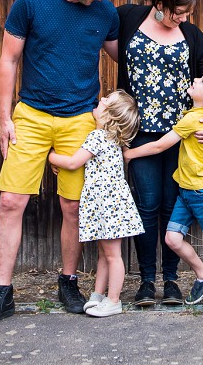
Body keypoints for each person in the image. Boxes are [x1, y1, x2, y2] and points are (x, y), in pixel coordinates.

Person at [0, 0, 123, 328]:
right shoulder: (32, 1)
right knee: (10, 202)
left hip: (80, 121)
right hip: (32, 116)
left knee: (72, 207)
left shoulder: (104, 13)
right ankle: (1, 293)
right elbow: (8, 60)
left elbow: (125, 56)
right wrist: (4, 117)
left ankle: (68, 281)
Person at [116, 0, 203, 307]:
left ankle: (172, 280)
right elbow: (87, 9)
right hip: (141, 135)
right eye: (178, 12)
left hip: (181, 138)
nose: (182, 18)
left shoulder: (192, 36)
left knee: (171, 206)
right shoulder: (127, 18)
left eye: (187, 13)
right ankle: (147, 282)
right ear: (160, 4)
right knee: (147, 206)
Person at [124, 68, 203, 319]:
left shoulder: (193, 119)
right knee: (172, 239)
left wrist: (129, 153)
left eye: (201, 81)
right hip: (186, 191)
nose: (195, 79)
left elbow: (161, 145)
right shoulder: (202, 115)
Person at [47, 90, 144, 318]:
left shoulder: (97, 137)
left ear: (108, 116)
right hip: (110, 205)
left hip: (106, 206)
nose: (100, 100)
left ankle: (114, 300)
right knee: (105, 254)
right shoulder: (114, 141)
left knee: (112, 256)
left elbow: (72, 162)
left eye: (105, 102)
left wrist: (49, 155)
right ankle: (98, 295)